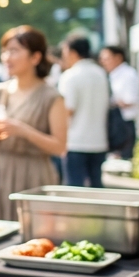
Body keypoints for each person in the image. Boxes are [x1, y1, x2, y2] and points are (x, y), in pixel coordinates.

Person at [0, 26, 68, 221]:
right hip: (1, 171)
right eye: (5, 51)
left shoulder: (51, 97)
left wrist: (24, 131)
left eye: (14, 51)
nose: (7, 57)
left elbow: (60, 146)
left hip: (35, 174)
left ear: (35, 57)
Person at [57, 36, 111, 188]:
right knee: (96, 186)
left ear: (73, 53)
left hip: (75, 142)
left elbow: (67, 110)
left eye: (65, 52)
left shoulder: (70, 76)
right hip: (99, 140)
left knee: (75, 188)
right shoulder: (101, 74)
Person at [99, 46, 139, 159]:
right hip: (115, 122)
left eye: (106, 58)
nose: (103, 62)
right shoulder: (112, 75)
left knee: (124, 158)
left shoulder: (128, 74)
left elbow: (129, 101)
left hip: (124, 123)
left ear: (118, 57)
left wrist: (110, 101)